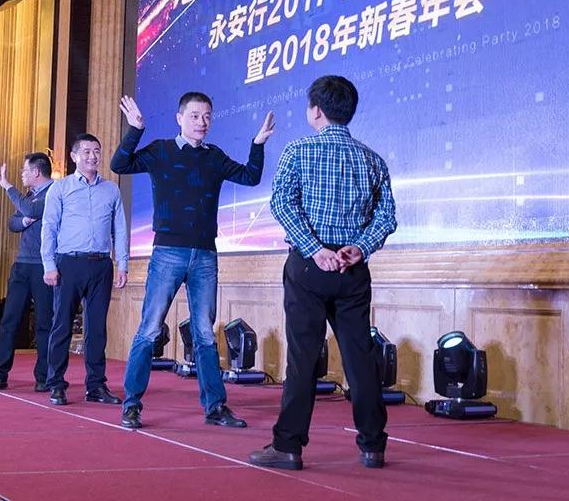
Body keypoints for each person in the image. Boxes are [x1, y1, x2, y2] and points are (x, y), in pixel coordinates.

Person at [248, 75, 397, 471]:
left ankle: (288, 447)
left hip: (308, 268)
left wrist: (315, 249)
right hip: (352, 270)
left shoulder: (298, 150)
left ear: (315, 111)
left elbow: (282, 203)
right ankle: (373, 446)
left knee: (302, 357)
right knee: (360, 357)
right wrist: (359, 248)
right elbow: (387, 218)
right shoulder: (372, 159)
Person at [111, 92, 275, 429]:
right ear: (179, 118)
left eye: (207, 116)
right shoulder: (160, 151)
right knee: (149, 329)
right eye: (195, 116)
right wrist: (136, 129)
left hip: (205, 255)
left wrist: (257, 144)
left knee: (204, 334)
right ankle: (132, 404)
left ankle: (215, 407)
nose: (202, 122)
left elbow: (250, 177)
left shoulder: (214, 156)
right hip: (167, 253)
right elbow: (119, 165)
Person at [41, 134, 129, 406]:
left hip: (101, 264)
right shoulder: (60, 188)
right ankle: (56, 383)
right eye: (87, 151)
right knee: (62, 325)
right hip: (69, 263)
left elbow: (120, 229)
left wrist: (122, 263)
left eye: (97, 151)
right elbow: (49, 227)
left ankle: (96, 386)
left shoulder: (111, 190)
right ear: (74, 156)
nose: (93, 156)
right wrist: (49, 265)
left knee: (97, 329)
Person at [0, 153, 55, 392]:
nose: (22, 174)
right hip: (22, 265)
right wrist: (24, 221)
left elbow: (31, 210)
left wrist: (7, 186)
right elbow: (12, 222)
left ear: (36, 172)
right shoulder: (29, 195)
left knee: (44, 323)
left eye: (24, 170)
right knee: (9, 320)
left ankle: (44, 377)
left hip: (45, 266)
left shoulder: (53, 193)